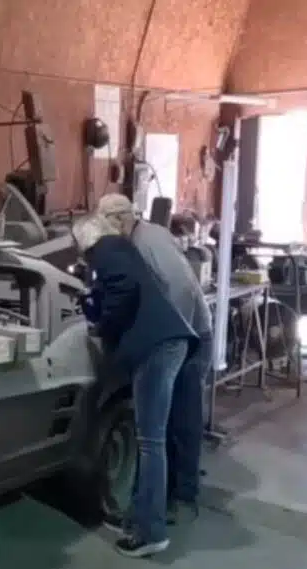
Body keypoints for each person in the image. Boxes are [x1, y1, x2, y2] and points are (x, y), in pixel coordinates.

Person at [71, 213, 198, 558]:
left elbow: (124, 288)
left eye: (79, 249)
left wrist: (105, 327)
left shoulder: (106, 249)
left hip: (157, 348)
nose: (82, 257)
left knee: (150, 441)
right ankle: (138, 518)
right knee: (149, 439)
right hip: (167, 343)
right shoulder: (123, 249)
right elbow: (121, 288)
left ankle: (151, 532)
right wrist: (93, 302)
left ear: (85, 241)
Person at [96, 194, 213, 525]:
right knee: (170, 423)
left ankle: (178, 501)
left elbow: (181, 290)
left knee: (177, 422)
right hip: (186, 331)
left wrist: (168, 338)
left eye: (106, 227)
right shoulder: (148, 234)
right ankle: (170, 498)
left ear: (118, 221)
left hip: (189, 334)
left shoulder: (145, 243)